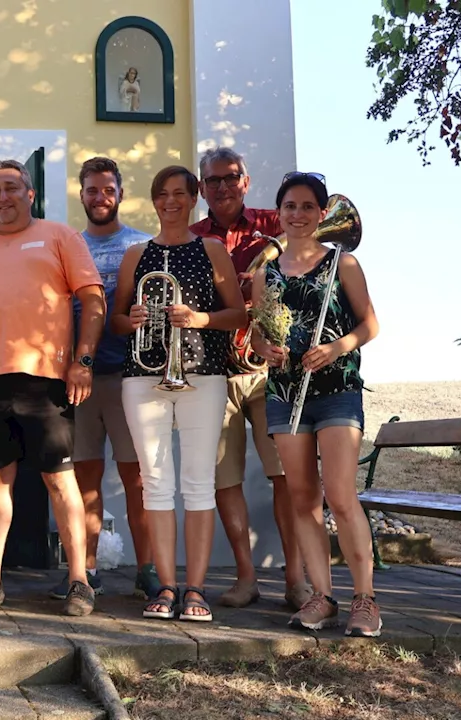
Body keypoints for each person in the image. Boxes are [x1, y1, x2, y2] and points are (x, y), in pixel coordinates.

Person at [0, 159, 105, 618]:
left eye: (11, 187)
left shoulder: (59, 236)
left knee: (59, 479)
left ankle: (78, 580)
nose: (2, 197)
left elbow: (92, 297)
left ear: (29, 194)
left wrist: (84, 361)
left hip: (47, 380)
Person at [109, 166, 246, 622]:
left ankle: (196, 589)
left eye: (180, 194)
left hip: (202, 375)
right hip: (143, 376)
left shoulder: (211, 249)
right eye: (163, 195)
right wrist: (133, 319)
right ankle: (166, 586)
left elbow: (237, 315)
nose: (171, 202)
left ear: (193, 199)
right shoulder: (135, 254)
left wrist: (200, 319)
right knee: (155, 484)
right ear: (153, 201)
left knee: (198, 482)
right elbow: (116, 322)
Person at [251, 172, 381, 637]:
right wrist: (264, 348)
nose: (298, 214)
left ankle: (364, 600)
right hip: (286, 393)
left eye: (308, 206)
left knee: (341, 496)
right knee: (303, 499)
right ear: (279, 212)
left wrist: (336, 347)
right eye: (290, 206)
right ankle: (321, 596)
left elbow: (370, 325)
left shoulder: (342, 263)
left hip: (337, 390)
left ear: (321, 213)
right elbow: (258, 332)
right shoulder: (265, 272)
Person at [189, 147, 311, 611]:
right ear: (202, 188)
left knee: (287, 477)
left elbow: (316, 260)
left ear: (246, 181)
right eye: (213, 180)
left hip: (271, 371)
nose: (222, 186)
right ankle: (246, 576)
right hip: (215, 371)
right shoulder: (194, 237)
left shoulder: (275, 222)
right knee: (226, 480)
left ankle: (296, 578)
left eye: (230, 177)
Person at [49, 157, 158, 603]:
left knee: (138, 481)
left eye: (107, 189)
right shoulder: (67, 245)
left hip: (131, 377)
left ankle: (148, 569)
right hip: (82, 379)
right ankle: (86, 570)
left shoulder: (142, 244)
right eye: (91, 190)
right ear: (81, 195)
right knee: (86, 480)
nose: (100, 197)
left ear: (119, 194)